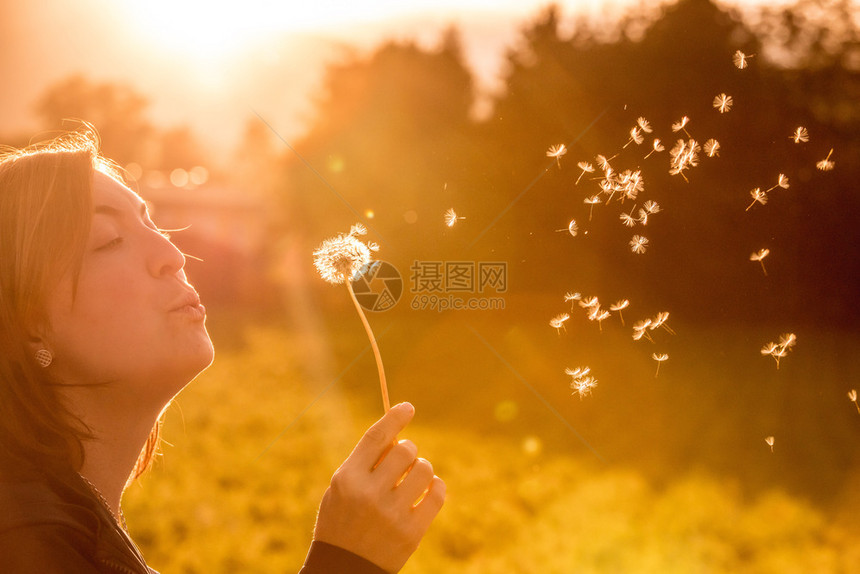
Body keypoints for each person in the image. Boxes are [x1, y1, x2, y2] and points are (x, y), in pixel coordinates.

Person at [0, 128, 445, 573]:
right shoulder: (24, 545)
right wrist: (347, 562)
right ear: (28, 324)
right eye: (108, 239)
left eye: (152, 224)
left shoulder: (56, 528)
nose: (172, 253)